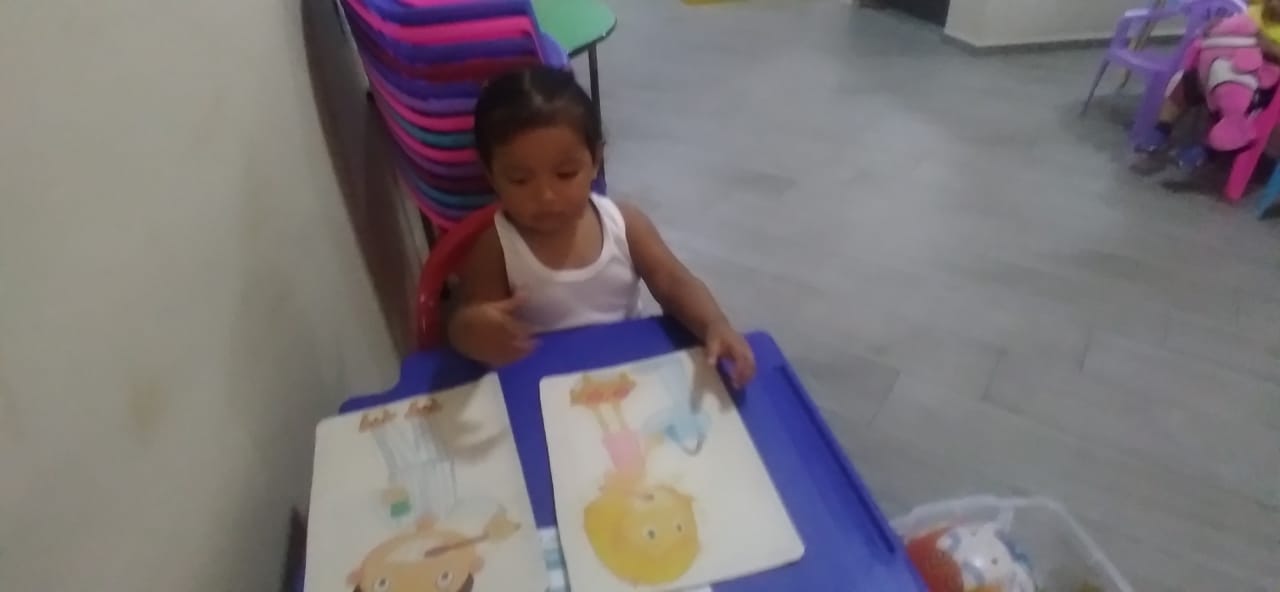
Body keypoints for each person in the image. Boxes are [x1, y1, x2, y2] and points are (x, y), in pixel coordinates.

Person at [446, 66, 756, 388]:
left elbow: (673, 281)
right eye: (520, 179)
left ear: (594, 160)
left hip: (629, 374)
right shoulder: (497, 247)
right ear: (491, 175)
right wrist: (472, 330)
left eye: (565, 173)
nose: (546, 195)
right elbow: (464, 324)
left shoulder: (624, 224)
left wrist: (714, 323)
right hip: (543, 384)